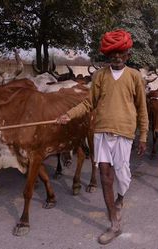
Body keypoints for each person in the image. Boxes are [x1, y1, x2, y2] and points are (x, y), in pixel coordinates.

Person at [56, 29, 149, 245]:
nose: (117, 57)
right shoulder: (99, 76)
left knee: (122, 177)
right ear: (108, 55)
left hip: (124, 133)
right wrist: (68, 115)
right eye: (113, 53)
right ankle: (114, 224)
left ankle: (120, 198)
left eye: (121, 53)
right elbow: (89, 104)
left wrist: (143, 136)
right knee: (105, 177)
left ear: (127, 55)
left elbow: (142, 109)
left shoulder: (134, 76)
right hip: (101, 133)